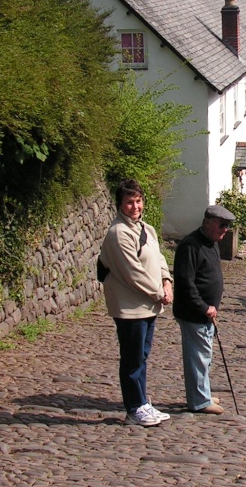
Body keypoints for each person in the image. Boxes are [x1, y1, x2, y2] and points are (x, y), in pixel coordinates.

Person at [98, 179, 173, 427]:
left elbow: (159, 257)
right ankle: (133, 408)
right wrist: (157, 292)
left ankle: (142, 402)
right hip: (130, 307)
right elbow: (132, 272)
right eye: (129, 202)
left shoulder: (147, 229)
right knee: (131, 359)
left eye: (138, 201)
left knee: (142, 356)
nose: (135, 206)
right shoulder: (118, 233)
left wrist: (166, 280)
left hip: (148, 305)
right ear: (120, 204)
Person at [172, 204, 235, 415]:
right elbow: (185, 283)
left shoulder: (211, 243)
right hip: (194, 312)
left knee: (205, 356)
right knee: (198, 357)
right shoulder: (191, 246)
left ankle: (203, 392)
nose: (225, 230)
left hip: (206, 313)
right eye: (222, 225)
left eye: (227, 226)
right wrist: (203, 307)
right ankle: (199, 400)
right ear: (207, 223)